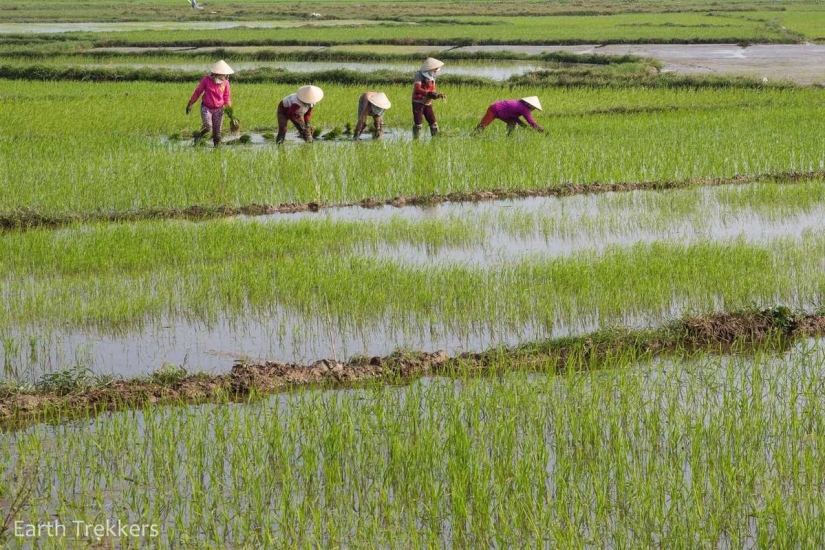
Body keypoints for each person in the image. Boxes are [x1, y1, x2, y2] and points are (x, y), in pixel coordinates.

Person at [186, 60, 233, 146]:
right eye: (220, 74)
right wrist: (190, 103)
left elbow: (226, 97)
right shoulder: (207, 80)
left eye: (224, 74)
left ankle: (217, 149)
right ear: (215, 73)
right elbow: (198, 91)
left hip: (219, 109)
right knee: (208, 127)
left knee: (217, 132)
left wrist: (230, 111)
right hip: (206, 107)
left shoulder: (225, 83)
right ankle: (199, 135)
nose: (222, 76)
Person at [411, 58, 446, 139]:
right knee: (418, 124)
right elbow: (417, 88)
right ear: (430, 68)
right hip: (418, 101)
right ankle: (416, 140)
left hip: (427, 102)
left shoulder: (433, 76)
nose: (437, 70)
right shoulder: (419, 75)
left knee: (433, 123)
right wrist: (428, 93)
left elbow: (433, 89)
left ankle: (436, 139)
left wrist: (437, 95)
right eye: (435, 68)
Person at [475, 96, 545, 134]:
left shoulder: (520, 104)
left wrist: (526, 127)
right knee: (482, 126)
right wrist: (541, 130)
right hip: (494, 109)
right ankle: (473, 136)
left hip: (501, 111)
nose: (533, 109)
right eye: (534, 108)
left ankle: (508, 138)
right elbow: (531, 122)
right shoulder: (524, 109)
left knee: (512, 122)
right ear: (530, 105)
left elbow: (515, 118)